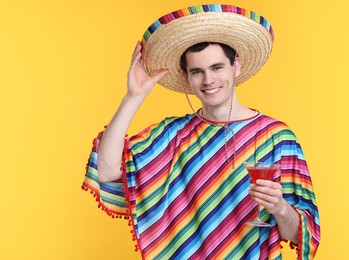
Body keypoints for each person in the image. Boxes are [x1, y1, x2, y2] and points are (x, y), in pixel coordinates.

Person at [82, 4, 320, 260]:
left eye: (217, 67)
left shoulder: (277, 137)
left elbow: (300, 235)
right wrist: (133, 97)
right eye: (197, 71)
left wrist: (280, 208)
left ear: (235, 66)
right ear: (186, 77)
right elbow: (106, 171)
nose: (208, 80)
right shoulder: (172, 136)